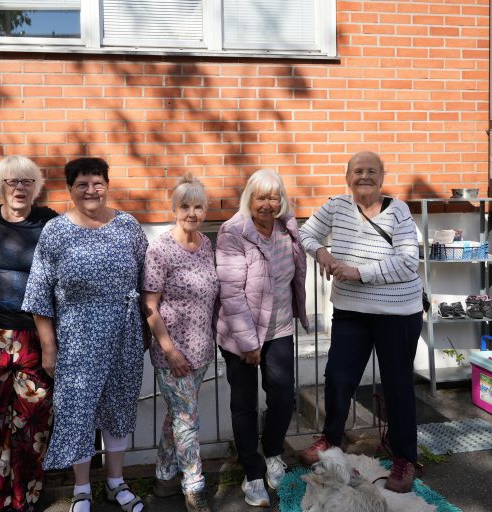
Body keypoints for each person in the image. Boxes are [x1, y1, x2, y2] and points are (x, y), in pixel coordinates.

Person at [22, 157, 148, 512]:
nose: (91, 190)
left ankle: (116, 482)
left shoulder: (127, 225)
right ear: (70, 190)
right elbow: (39, 292)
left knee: (119, 407)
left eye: (97, 183)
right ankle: (81, 489)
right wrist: (48, 347)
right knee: (78, 411)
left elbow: (147, 280)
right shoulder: (56, 231)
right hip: (77, 339)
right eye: (82, 184)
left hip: (124, 335)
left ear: (107, 186)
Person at [298, 151, 423, 494]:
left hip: (397, 312)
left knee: (397, 386)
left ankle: (404, 458)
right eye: (357, 171)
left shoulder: (398, 211)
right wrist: (321, 252)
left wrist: (358, 272)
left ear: (382, 177)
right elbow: (305, 233)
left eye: (371, 171)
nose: (364, 176)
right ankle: (330, 440)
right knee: (338, 377)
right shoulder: (337, 205)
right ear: (347, 177)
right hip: (351, 308)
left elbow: (408, 262)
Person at [0, 156, 57, 511]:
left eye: (27, 182)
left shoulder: (50, 223)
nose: (19, 188)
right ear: (0, 186)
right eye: (12, 182)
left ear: (36, 187)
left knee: (32, 426)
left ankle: (24, 500)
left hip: (34, 336)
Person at [215, 169, 309, 508]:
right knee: (244, 404)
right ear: (249, 199)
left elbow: (296, 272)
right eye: (261, 197)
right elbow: (231, 292)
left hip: (280, 327)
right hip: (241, 335)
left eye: (274, 197)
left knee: (283, 398)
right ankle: (251, 472)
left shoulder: (287, 227)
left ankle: (271, 452)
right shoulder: (233, 232)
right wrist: (249, 343)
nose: (268, 204)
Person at [142, 174, 219, 512]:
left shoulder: (207, 244)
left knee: (178, 415)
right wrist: (170, 350)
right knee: (187, 417)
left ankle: (163, 476)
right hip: (172, 351)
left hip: (202, 348)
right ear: (173, 209)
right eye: (185, 205)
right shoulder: (160, 248)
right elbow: (150, 306)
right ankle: (194, 485)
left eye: (198, 206)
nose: (192, 212)